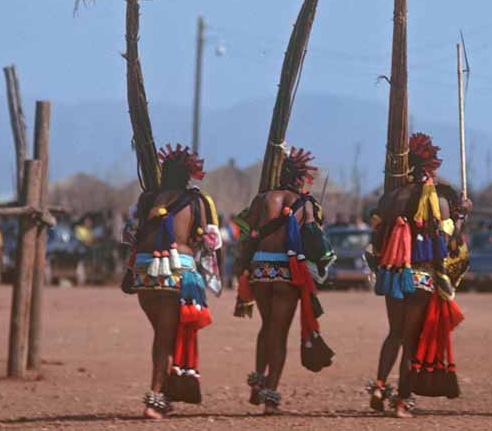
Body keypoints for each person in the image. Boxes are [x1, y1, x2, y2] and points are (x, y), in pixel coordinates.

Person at [366, 133, 470, 418]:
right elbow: (449, 244)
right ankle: (402, 402)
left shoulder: (390, 198)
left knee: (394, 334)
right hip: (421, 278)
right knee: (410, 340)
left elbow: (376, 239)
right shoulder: (439, 200)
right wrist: (461, 216)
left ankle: (379, 386)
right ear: (431, 166)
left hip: (392, 274)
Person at [120, 144, 222, 420]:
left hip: (144, 272)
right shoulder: (198, 202)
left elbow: (129, 234)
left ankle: (165, 393)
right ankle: (155, 399)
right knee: (165, 338)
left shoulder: (146, 199)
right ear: (188, 176)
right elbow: (211, 241)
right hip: (177, 271)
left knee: (163, 335)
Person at [232, 147, 334, 415]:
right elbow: (314, 240)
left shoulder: (262, 198)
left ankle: (257, 382)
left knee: (266, 327)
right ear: (300, 178)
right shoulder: (306, 203)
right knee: (279, 333)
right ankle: (271, 398)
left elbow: (247, 234)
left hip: (260, 270)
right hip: (288, 272)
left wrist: (242, 268)